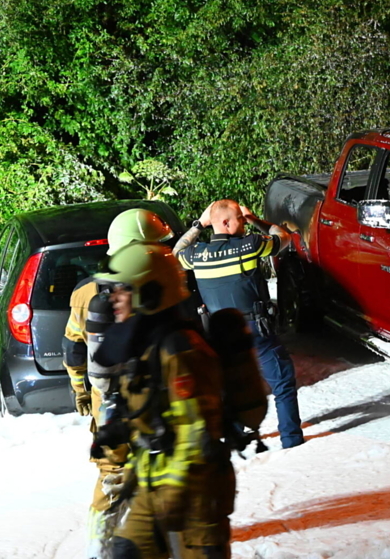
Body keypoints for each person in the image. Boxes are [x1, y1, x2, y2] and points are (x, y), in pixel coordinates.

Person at [94, 242, 232, 559]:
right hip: (153, 483)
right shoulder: (144, 345)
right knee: (126, 552)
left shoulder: (182, 350)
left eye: (122, 289)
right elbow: (152, 410)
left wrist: (174, 490)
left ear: (149, 292)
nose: (112, 298)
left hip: (195, 493)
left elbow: (196, 432)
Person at [62, 209, 173, 558]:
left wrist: (80, 389)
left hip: (107, 401)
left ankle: (99, 544)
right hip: (157, 396)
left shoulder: (86, 293)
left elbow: (72, 346)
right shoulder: (163, 282)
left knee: (112, 471)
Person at [173, 199, 305, 449]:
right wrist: (256, 219)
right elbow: (283, 237)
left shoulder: (195, 255)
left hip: (219, 334)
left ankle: (235, 438)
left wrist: (199, 225)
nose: (244, 223)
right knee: (282, 382)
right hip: (255, 329)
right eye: (240, 219)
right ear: (225, 223)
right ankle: (291, 439)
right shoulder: (250, 245)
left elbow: (177, 252)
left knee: (230, 384)